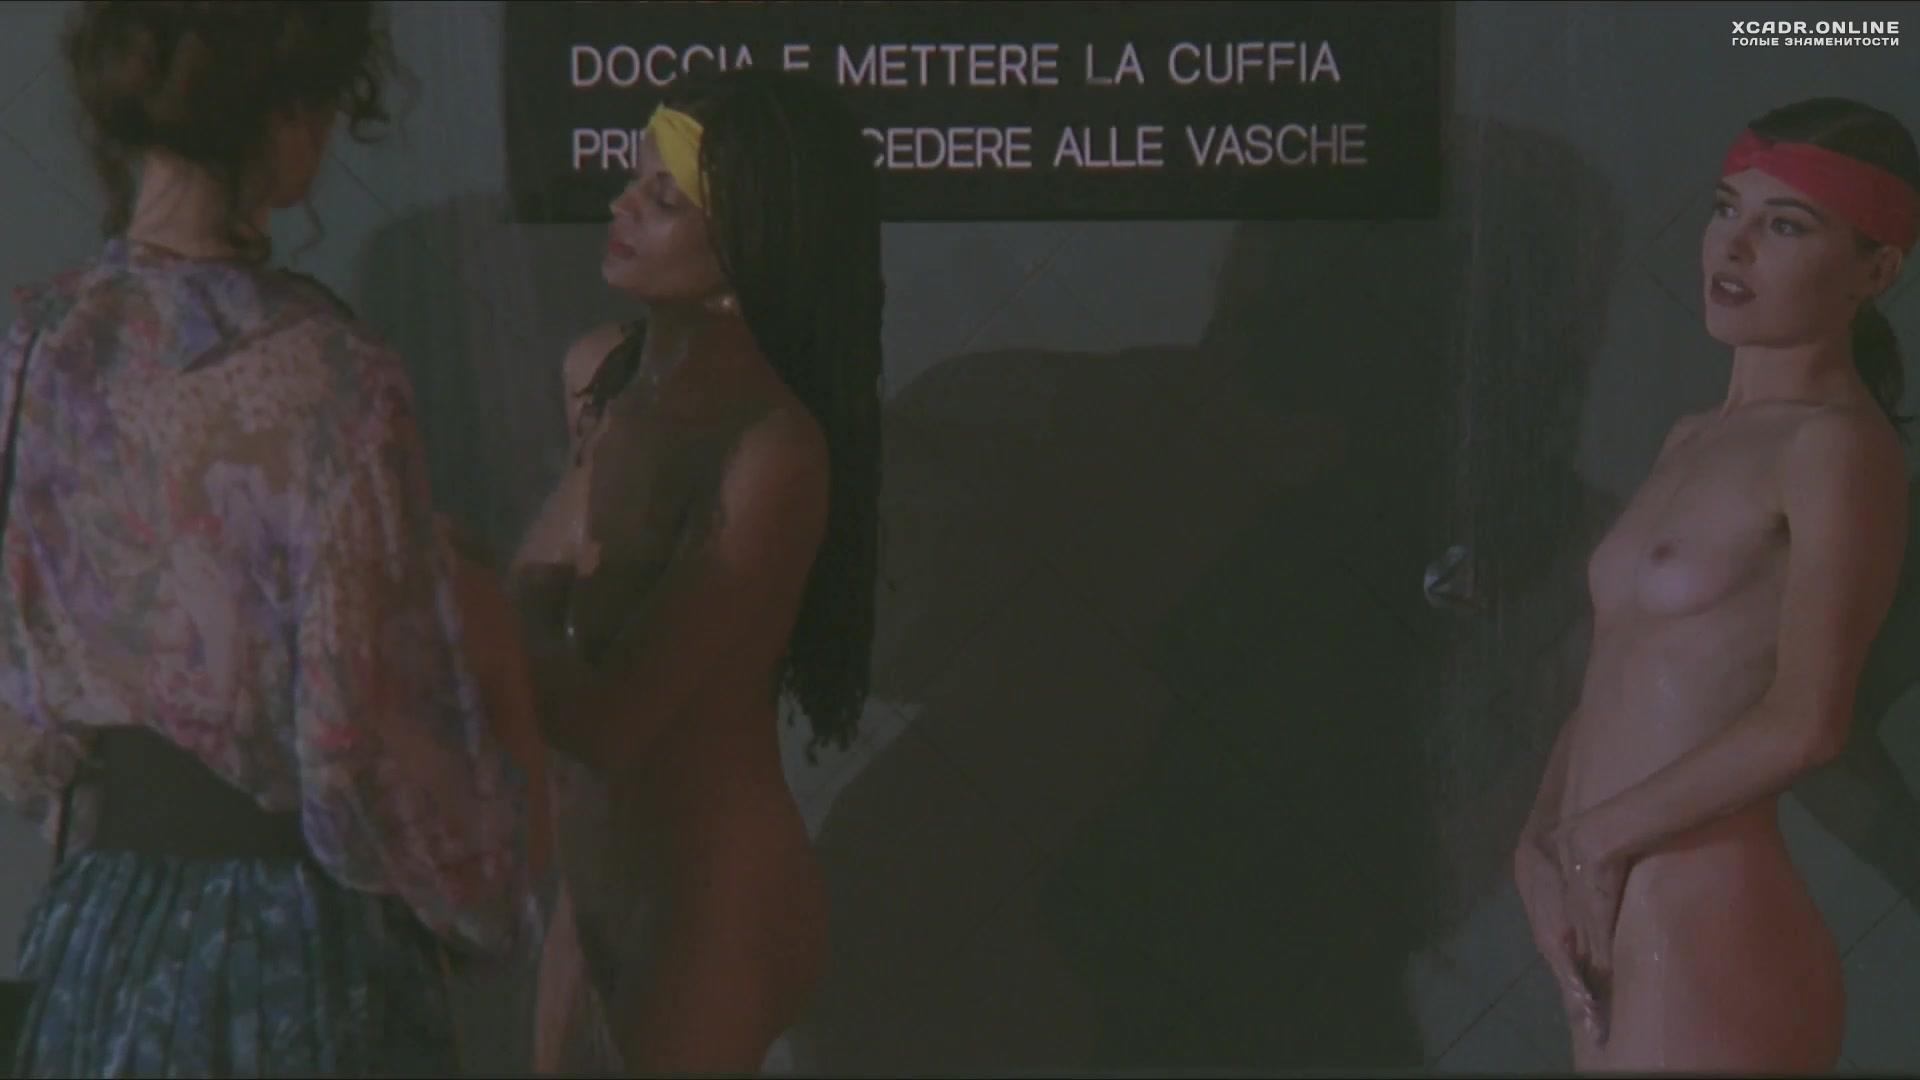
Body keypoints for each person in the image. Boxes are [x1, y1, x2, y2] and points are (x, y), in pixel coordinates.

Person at [0, 3, 544, 1075]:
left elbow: (23, 715)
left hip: (97, 934)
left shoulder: (35, 345)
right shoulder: (331, 375)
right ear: (282, 113)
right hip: (282, 940)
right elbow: (353, 743)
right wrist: (490, 890)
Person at [1513, 96, 1917, 1073]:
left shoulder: (1837, 449)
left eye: (1786, 226)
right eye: (1726, 209)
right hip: (1609, 913)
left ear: (1876, 271)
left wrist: (1596, 838)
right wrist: (1538, 838)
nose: (1733, 247)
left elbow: (1809, 722)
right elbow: (1623, 672)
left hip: (1710, 926)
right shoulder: (1692, 438)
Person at [510, 67, 883, 1075]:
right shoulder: (602, 376)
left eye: (665, 197)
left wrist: (478, 605)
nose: (623, 204)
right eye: (634, 177)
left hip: (713, 896)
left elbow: (613, 719)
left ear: (749, 247)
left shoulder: (773, 450)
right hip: (594, 883)